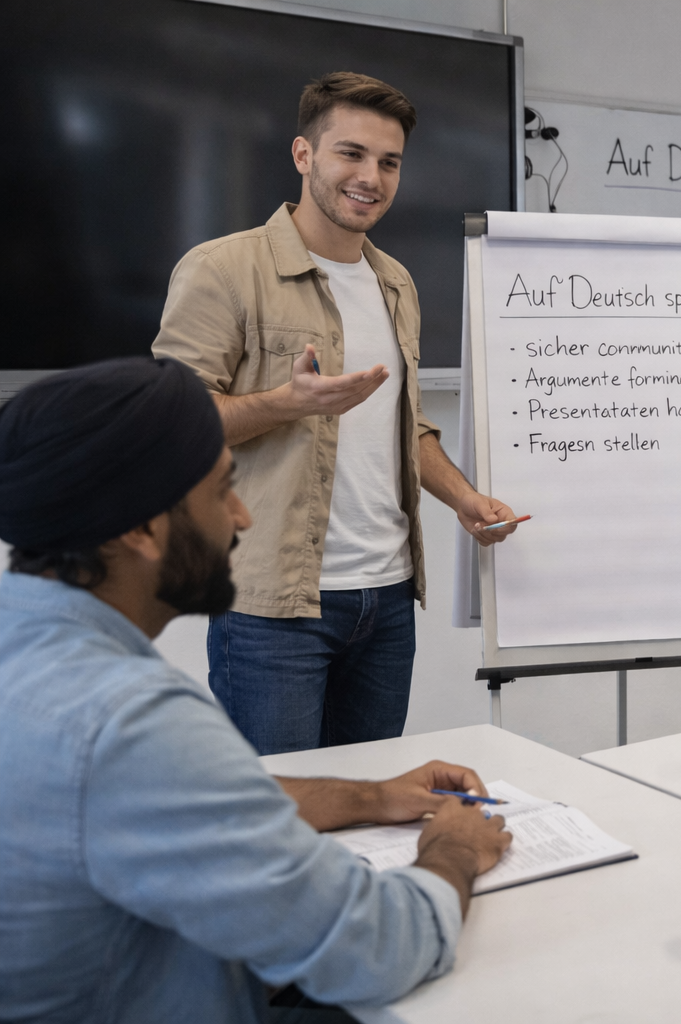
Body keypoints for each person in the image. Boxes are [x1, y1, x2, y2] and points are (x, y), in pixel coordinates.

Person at [0, 358, 511, 1023]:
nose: (241, 517)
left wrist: (372, 797)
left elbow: (184, 799)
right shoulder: (127, 722)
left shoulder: (31, 653)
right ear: (141, 529)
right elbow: (378, 949)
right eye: (222, 491)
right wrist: (455, 849)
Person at [151, 72, 517, 755]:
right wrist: (286, 404)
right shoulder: (223, 270)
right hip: (273, 607)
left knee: (368, 807)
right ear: (303, 155)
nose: (370, 177)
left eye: (388, 162)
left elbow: (404, 426)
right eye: (350, 153)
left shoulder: (395, 282)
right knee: (282, 816)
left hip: (386, 602)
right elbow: (172, 423)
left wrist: (464, 498)